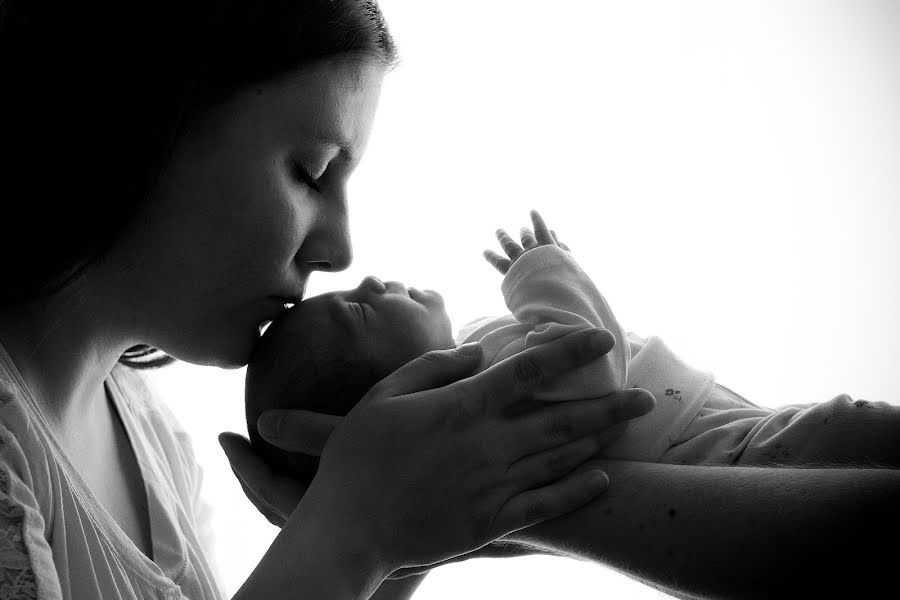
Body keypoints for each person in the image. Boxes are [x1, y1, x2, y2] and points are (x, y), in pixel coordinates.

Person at [0, 2, 656, 599]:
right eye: (311, 171)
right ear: (142, 113)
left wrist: (399, 541)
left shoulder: (157, 442)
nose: (340, 251)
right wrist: (353, 528)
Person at [247, 209, 898, 488]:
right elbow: (591, 367)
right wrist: (542, 274)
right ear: (400, 390)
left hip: (733, 440)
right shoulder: (482, 394)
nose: (366, 278)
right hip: (741, 460)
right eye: (359, 309)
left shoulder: (480, 354)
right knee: (858, 440)